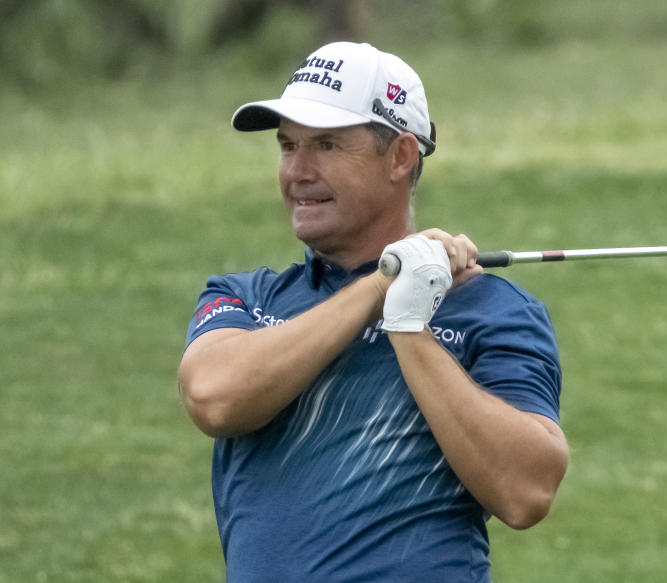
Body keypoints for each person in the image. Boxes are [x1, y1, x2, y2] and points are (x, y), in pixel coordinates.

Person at [178, 41, 568, 582]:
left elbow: (526, 491)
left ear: (401, 157)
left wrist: (410, 329)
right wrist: (380, 290)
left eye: (328, 146)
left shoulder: (491, 310)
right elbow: (215, 399)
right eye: (288, 146)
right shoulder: (247, 299)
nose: (298, 171)